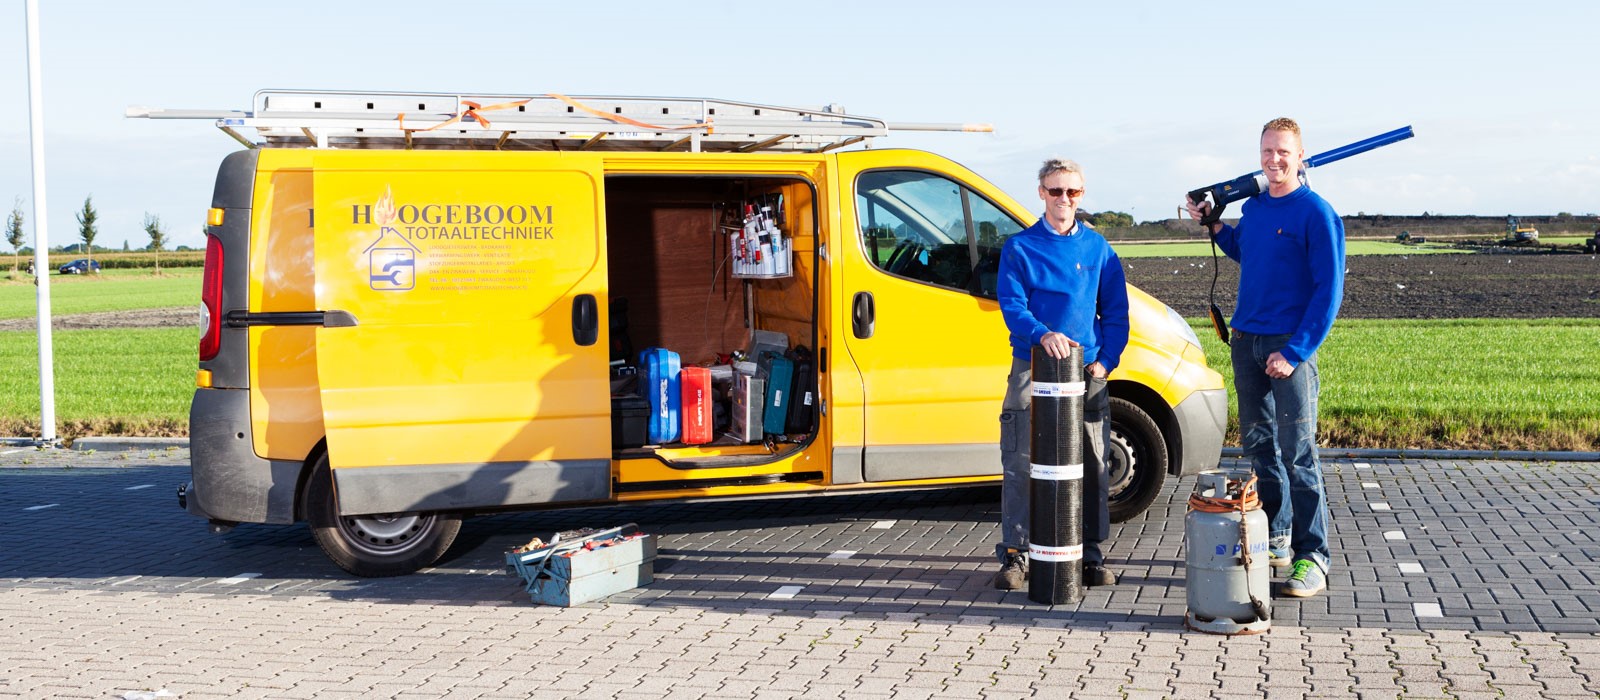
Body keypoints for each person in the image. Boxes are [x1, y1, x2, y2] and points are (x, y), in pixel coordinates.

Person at [1185, 117, 1344, 598]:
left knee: (1298, 453)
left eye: (1283, 153)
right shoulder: (1254, 209)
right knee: (1259, 449)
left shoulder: (1316, 213)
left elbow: (1328, 292)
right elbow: (1245, 249)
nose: (1274, 161)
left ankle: (1312, 557)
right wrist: (1213, 225)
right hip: (1246, 338)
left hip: (1288, 343)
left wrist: (1295, 351)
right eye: (1267, 152)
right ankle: (1276, 536)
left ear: (1300, 157)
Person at [993, 158, 1130, 590]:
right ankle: (1017, 556)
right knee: (1020, 461)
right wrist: (1041, 334)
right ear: (1041, 193)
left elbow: (1117, 314)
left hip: (1086, 375)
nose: (1064, 200)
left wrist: (1105, 362)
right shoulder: (1019, 248)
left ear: (1082, 195)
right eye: (1056, 191)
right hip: (1031, 368)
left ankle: (1088, 553)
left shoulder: (1098, 249)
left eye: (1073, 192)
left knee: (1090, 461)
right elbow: (1013, 306)